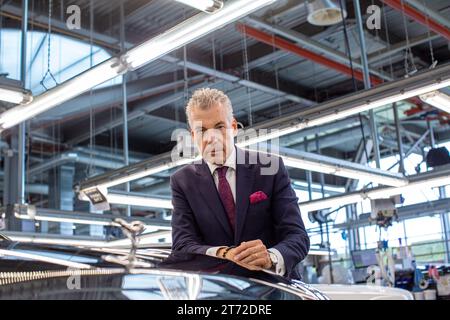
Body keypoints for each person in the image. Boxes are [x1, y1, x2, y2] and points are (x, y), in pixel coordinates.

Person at [170, 88, 309, 278]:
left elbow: (297, 236)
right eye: (201, 130)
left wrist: (271, 257)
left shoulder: (271, 168)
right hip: (218, 292)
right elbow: (182, 246)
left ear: (233, 127)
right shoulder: (182, 181)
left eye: (219, 127)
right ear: (192, 136)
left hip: (274, 289)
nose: (211, 138)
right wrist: (224, 253)